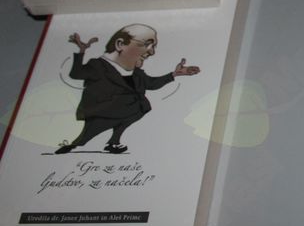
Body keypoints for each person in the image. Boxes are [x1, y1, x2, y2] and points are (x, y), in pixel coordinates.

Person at [54, 25, 200, 155]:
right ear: (120, 44)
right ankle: (72, 146)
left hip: (131, 109)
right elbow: (76, 74)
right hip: (104, 111)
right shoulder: (99, 66)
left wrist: (174, 74)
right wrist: (81, 51)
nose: (152, 52)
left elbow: (151, 84)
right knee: (87, 135)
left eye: (153, 46)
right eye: (147, 44)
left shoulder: (136, 72)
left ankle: (113, 142)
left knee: (123, 123)